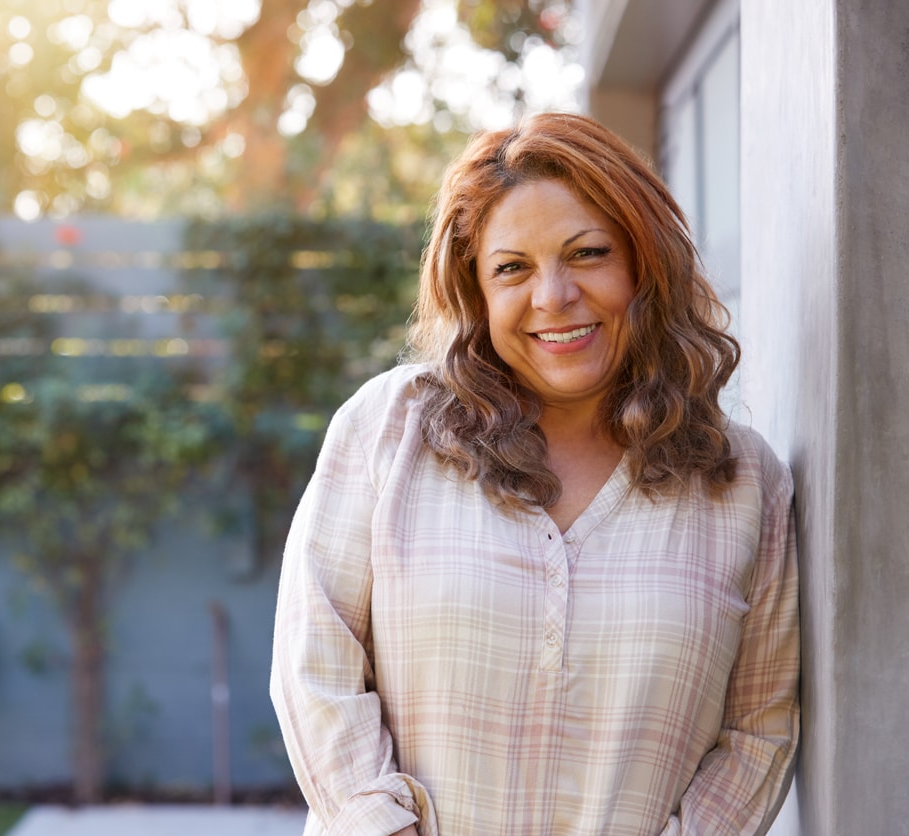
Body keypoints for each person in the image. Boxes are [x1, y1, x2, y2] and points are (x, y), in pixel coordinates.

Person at [269, 112, 799, 836]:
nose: (553, 296)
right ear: (476, 291)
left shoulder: (745, 484)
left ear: (645, 265)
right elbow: (315, 665)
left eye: (587, 253)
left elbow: (758, 729)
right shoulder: (386, 432)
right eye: (512, 267)